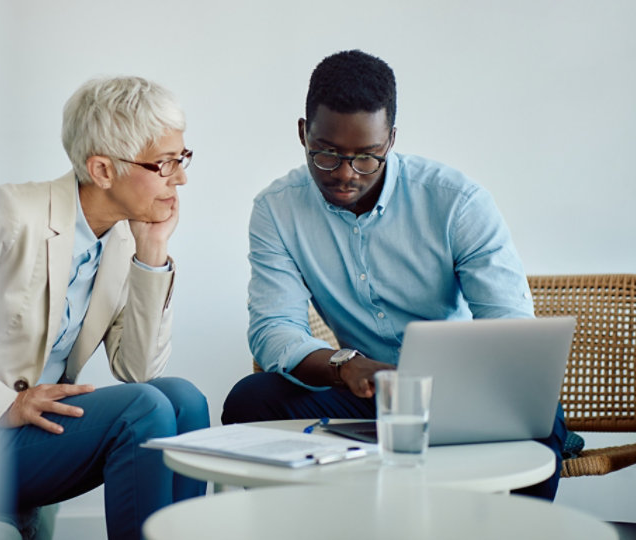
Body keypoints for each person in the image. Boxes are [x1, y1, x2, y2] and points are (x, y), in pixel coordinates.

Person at [221, 50, 566, 500]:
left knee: (540, 421)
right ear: (304, 133)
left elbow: (510, 327)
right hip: (362, 393)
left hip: (455, 397)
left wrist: (463, 385)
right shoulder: (277, 209)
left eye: (367, 157)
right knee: (251, 399)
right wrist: (346, 366)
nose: (345, 174)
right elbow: (274, 330)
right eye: (326, 154)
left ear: (391, 141)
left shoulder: (457, 203)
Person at [0, 76, 208, 540]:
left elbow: (140, 369)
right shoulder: (9, 213)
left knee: (183, 399)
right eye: (165, 163)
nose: (181, 178)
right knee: (142, 410)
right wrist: (2, 402)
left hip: (29, 436)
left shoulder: (120, 238)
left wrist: (152, 253)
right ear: (101, 170)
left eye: (182, 158)